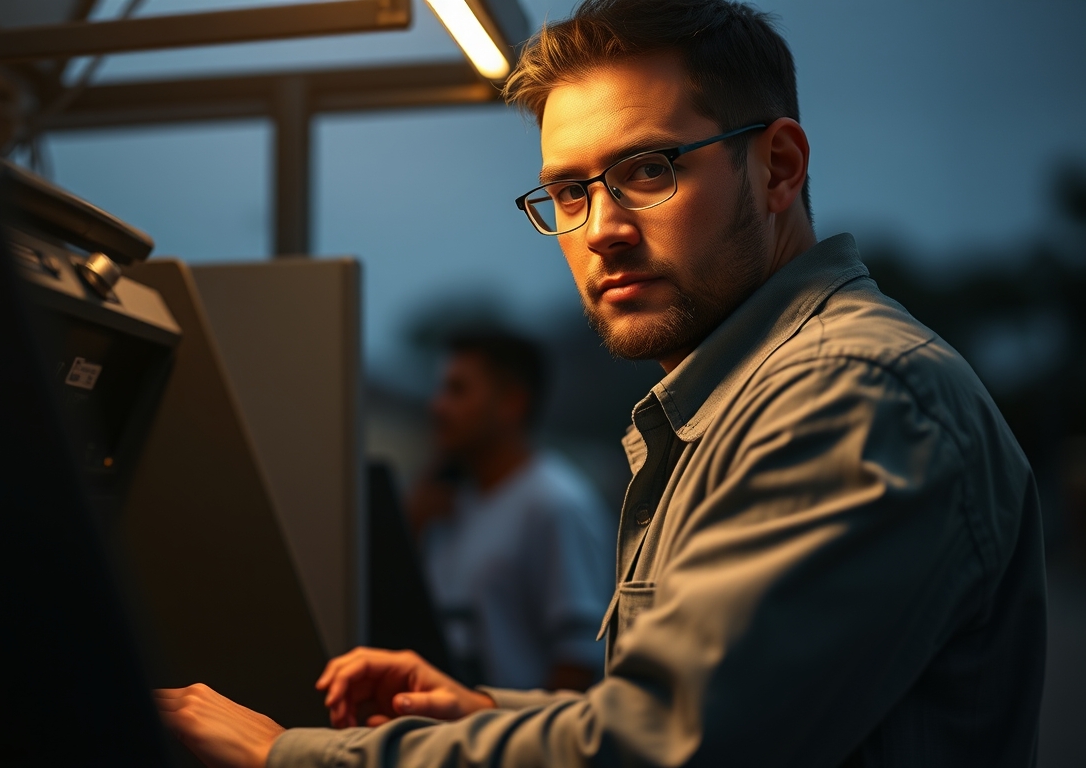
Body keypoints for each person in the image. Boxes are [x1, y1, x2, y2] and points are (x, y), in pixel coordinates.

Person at [154, 1, 1047, 765]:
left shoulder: (848, 393)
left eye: (648, 170)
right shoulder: (744, 397)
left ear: (778, 167)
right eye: (570, 193)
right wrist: (490, 713)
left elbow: (666, 750)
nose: (601, 229)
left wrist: (281, 753)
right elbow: (690, 716)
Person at [407, 331, 613, 692]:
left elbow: (579, 659)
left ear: (511, 403)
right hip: (448, 740)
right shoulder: (448, 502)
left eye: (457, 391)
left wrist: (534, 745)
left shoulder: (556, 504)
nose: (437, 406)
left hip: (509, 743)